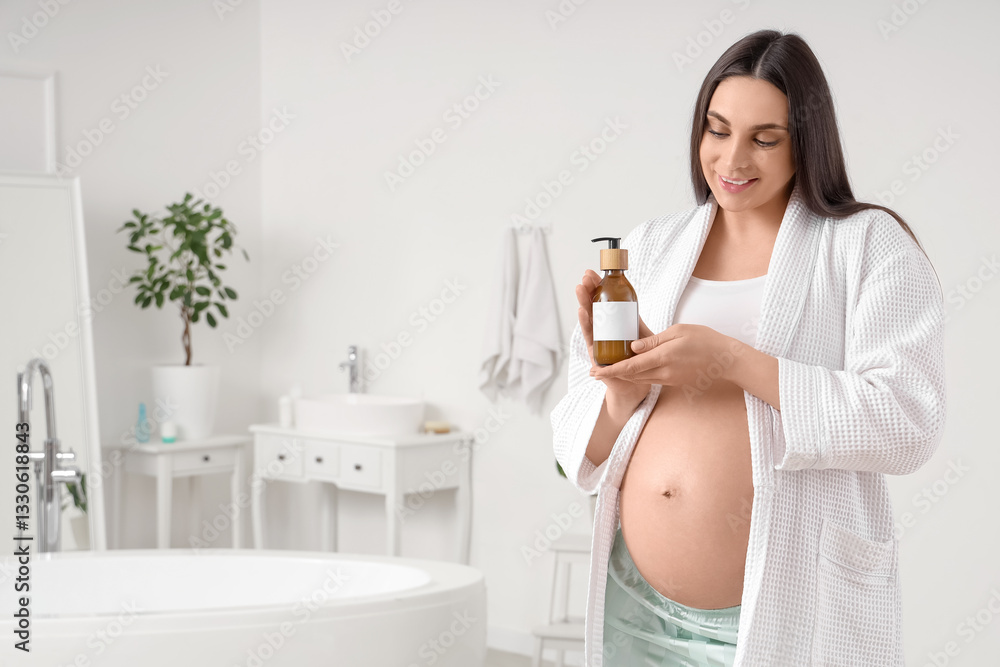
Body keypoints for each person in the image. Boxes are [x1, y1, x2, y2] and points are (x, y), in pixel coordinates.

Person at [550, 29, 946, 667]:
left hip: (784, 608)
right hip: (637, 608)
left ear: (806, 144)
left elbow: (908, 420)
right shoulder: (648, 248)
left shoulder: (868, 246)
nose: (732, 161)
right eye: (717, 129)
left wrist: (730, 361)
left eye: (765, 139)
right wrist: (619, 398)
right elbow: (575, 453)